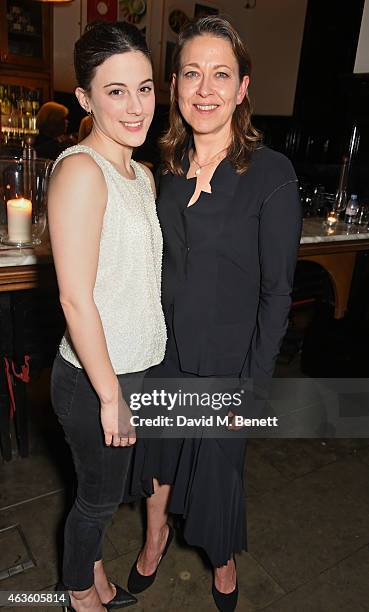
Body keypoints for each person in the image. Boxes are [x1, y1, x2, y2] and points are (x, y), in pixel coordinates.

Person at [125, 15, 302, 611]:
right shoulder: (164, 169)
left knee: (218, 471)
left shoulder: (272, 175)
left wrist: (253, 389)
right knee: (158, 457)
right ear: (175, 85)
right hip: (164, 352)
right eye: (192, 74)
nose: (205, 89)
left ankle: (222, 563)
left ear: (243, 86)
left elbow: (277, 293)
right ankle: (153, 540)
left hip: (228, 363)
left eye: (220, 74)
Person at [48, 21, 167, 612]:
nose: (135, 105)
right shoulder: (80, 172)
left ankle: (93, 578)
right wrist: (110, 395)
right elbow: (74, 299)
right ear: (85, 97)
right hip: (97, 377)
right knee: (97, 500)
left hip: (130, 370)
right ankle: (78, 596)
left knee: (99, 491)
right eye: (115, 90)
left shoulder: (140, 174)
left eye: (143, 88)